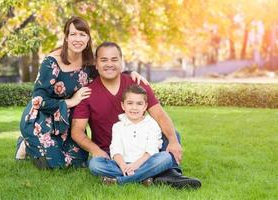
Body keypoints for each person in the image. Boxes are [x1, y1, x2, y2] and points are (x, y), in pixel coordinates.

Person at [16, 17, 147, 169]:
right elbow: (38, 100)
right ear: (66, 37)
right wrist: (70, 102)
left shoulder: (88, 61)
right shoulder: (52, 62)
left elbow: (107, 70)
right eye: (73, 34)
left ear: (88, 38)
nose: (78, 39)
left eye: (82, 34)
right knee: (55, 165)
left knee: (79, 162)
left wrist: (131, 73)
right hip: (42, 118)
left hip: (66, 121)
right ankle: (25, 143)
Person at [71, 41, 201, 189]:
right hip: (113, 154)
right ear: (96, 63)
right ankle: (156, 174)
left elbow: (159, 115)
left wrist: (173, 141)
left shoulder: (136, 83)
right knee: (95, 165)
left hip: (143, 149)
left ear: (121, 61)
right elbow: (77, 131)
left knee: (172, 135)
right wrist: (96, 151)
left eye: (114, 59)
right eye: (104, 60)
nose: (109, 64)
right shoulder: (87, 92)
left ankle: (168, 174)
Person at [89, 84, 173, 185]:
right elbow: (116, 149)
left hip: (145, 163)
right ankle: (144, 177)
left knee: (166, 158)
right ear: (123, 106)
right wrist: (123, 165)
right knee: (95, 164)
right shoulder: (118, 126)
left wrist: (135, 165)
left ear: (145, 106)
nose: (134, 107)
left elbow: (152, 149)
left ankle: (119, 181)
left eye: (139, 104)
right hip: (121, 164)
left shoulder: (152, 124)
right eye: (130, 103)